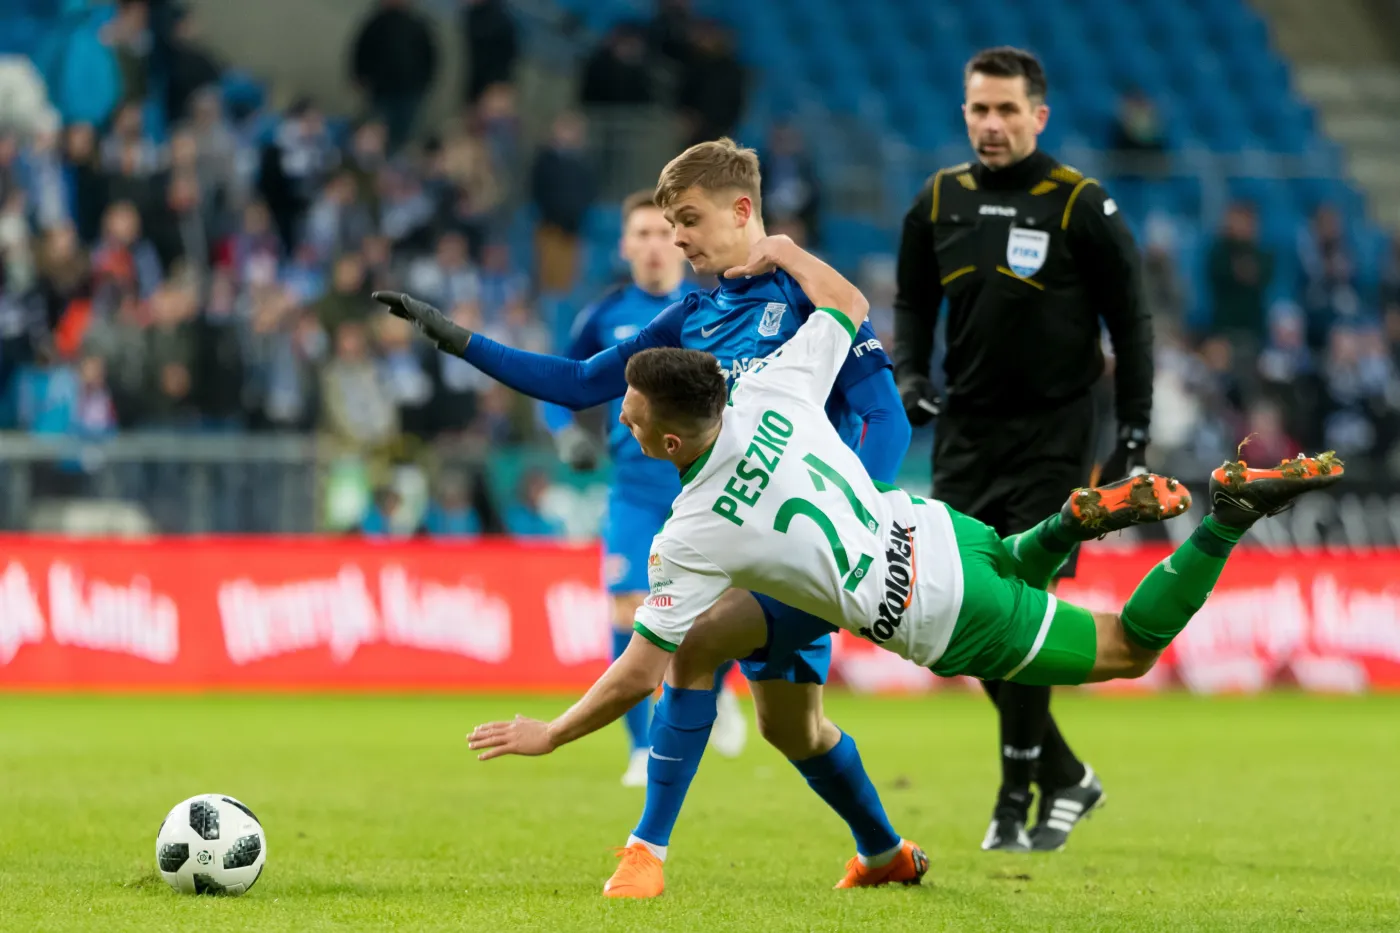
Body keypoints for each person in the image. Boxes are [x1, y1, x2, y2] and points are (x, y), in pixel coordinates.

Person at [464, 233, 1344, 893]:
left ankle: (1223, 519)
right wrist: (783, 248)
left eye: (627, 411)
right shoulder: (771, 383)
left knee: (1129, 646)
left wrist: (552, 731)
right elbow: (846, 305)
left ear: (663, 437)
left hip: (938, 611)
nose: (618, 417)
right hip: (933, 526)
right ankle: (1062, 530)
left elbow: (632, 673)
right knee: (793, 689)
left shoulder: (690, 532)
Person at [374, 137, 916, 897]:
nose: (678, 238)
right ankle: (884, 849)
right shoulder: (690, 314)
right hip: (720, 539)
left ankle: (645, 851)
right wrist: (457, 339)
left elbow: (884, 421)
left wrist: (849, 510)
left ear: (741, 210)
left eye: (688, 219)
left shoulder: (807, 299)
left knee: (695, 651)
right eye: (667, 222)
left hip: (798, 546)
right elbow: (578, 382)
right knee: (795, 729)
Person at [892, 46, 1155, 853]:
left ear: (1039, 115)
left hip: (1054, 436)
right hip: (968, 435)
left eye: (1008, 110)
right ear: (964, 112)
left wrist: (1133, 438)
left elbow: (1132, 323)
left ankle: (1014, 796)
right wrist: (909, 376)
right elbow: (910, 303)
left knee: (1025, 613)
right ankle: (1067, 773)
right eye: (980, 109)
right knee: (971, 612)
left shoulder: (1080, 203)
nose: (993, 124)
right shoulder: (937, 201)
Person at [542, 190, 746, 786]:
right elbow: (566, 384)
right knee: (629, 610)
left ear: (681, 241)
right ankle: (640, 748)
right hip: (635, 488)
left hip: (710, 486)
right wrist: (564, 436)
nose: (655, 245)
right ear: (626, 245)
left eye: (664, 233)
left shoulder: (714, 308)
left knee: (727, 612)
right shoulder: (605, 315)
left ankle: (720, 687)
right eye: (643, 235)